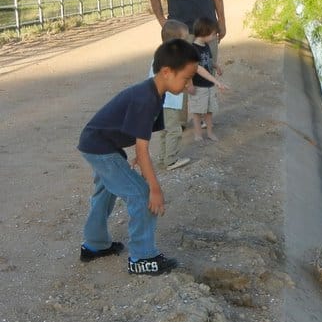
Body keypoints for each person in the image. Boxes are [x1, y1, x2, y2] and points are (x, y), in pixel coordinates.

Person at [78, 39, 199, 276]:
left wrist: (138, 157)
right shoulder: (147, 98)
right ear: (166, 72)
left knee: (105, 191)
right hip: (101, 148)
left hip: (98, 143)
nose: (189, 84)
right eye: (186, 78)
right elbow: (143, 152)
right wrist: (154, 187)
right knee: (142, 194)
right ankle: (142, 257)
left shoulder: (155, 93)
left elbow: (139, 139)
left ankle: (94, 245)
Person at [148, 20, 192, 171]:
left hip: (158, 101)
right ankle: (171, 160)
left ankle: (163, 157)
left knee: (164, 130)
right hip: (170, 102)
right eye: (185, 40)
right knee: (174, 130)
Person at [191, 17, 228, 142]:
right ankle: (198, 134)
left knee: (209, 110)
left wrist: (216, 66)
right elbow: (198, 69)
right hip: (198, 85)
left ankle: (210, 132)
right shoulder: (193, 49)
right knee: (197, 111)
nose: (214, 37)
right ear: (203, 32)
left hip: (209, 85)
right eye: (213, 34)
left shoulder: (206, 45)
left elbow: (208, 60)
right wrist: (216, 82)